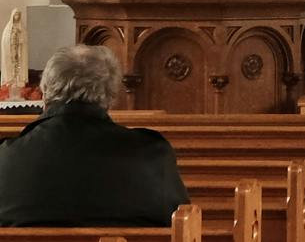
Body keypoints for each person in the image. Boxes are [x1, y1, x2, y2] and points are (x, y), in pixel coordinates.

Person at [0, 45, 188, 227]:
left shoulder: (5, 158)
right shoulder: (151, 155)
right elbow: (180, 224)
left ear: (45, 92)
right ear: (111, 96)